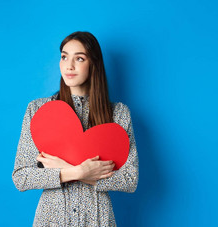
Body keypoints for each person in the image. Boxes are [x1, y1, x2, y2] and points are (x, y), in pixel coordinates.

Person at [12, 31, 139, 226]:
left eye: (79, 58)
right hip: (52, 219)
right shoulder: (38, 110)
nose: (69, 66)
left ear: (93, 64)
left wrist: (63, 166)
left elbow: (130, 180)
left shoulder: (118, 114)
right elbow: (22, 177)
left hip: (98, 219)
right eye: (64, 57)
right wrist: (79, 172)